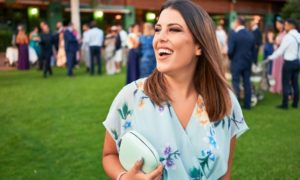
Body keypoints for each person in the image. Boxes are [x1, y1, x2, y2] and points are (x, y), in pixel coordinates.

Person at [102, 0, 249, 179]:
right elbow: (109, 155)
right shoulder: (131, 97)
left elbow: (224, 172)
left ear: (199, 45)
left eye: (174, 29)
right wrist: (123, 177)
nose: (160, 38)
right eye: (158, 29)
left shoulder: (226, 101)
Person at [267, 18, 300, 109]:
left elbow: (280, 50)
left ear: (290, 26)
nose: (285, 26)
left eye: (286, 25)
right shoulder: (298, 35)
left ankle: (285, 104)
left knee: (285, 83)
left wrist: (270, 57)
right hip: (297, 62)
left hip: (289, 62)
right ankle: (295, 103)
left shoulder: (288, 37)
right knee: (295, 83)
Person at [228, 17, 255, 109]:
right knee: (247, 82)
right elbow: (253, 50)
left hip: (236, 61)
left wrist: (231, 58)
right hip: (247, 62)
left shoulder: (234, 34)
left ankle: (237, 104)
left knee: (235, 82)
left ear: (237, 23)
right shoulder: (250, 35)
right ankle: (247, 104)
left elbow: (230, 51)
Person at [270, 17, 286, 94]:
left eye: (278, 24)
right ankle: (275, 87)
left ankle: (280, 87)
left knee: (280, 71)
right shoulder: (279, 33)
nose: (277, 25)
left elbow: (283, 45)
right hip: (276, 55)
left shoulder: (284, 34)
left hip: (281, 56)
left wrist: (277, 43)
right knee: (275, 70)